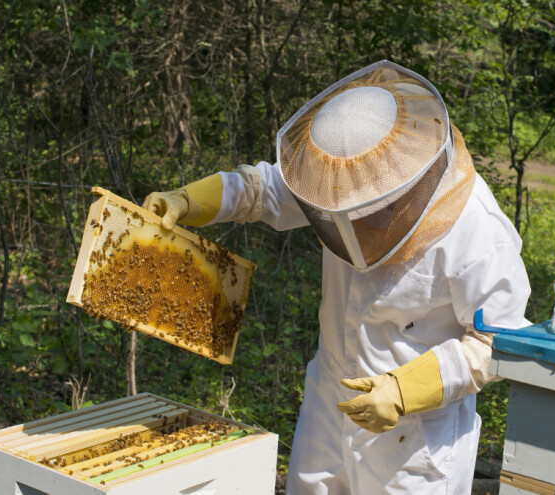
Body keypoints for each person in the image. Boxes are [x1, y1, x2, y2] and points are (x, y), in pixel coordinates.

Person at [143, 60, 531, 494]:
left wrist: (407, 389)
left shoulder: (477, 231)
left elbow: (498, 342)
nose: (350, 222)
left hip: (413, 436)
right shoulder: (343, 172)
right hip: (329, 400)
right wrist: (188, 200)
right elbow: (265, 189)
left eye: (366, 210)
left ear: (403, 184)